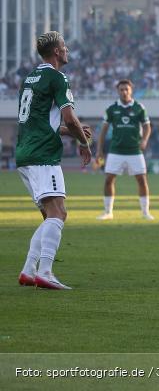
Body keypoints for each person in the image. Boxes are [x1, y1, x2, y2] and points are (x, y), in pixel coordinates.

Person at [16, 31, 93, 290]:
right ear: (57, 52)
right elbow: (70, 118)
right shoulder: (57, 77)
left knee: (50, 215)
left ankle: (29, 270)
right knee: (58, 213)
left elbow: (38, 122)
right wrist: (83, 142)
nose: (67, 49)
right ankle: (45, 272)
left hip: (25, 154)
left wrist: (71, 133)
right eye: (64, 46)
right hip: (43, 155)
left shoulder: (30, 78)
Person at [95, 80, 153, 220]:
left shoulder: (139, 107)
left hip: (135, 151)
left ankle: (145, 212)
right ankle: (108, 212)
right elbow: (103, 131)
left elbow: (147, 126)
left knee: (142, 180)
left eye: (126, 89)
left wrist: (144, 140)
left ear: (131, 90)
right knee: (109, 179)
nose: (124, 92)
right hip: (116, 151)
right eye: (121, 89)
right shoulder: (111, 108)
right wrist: (99, 150)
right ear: (118, 91)